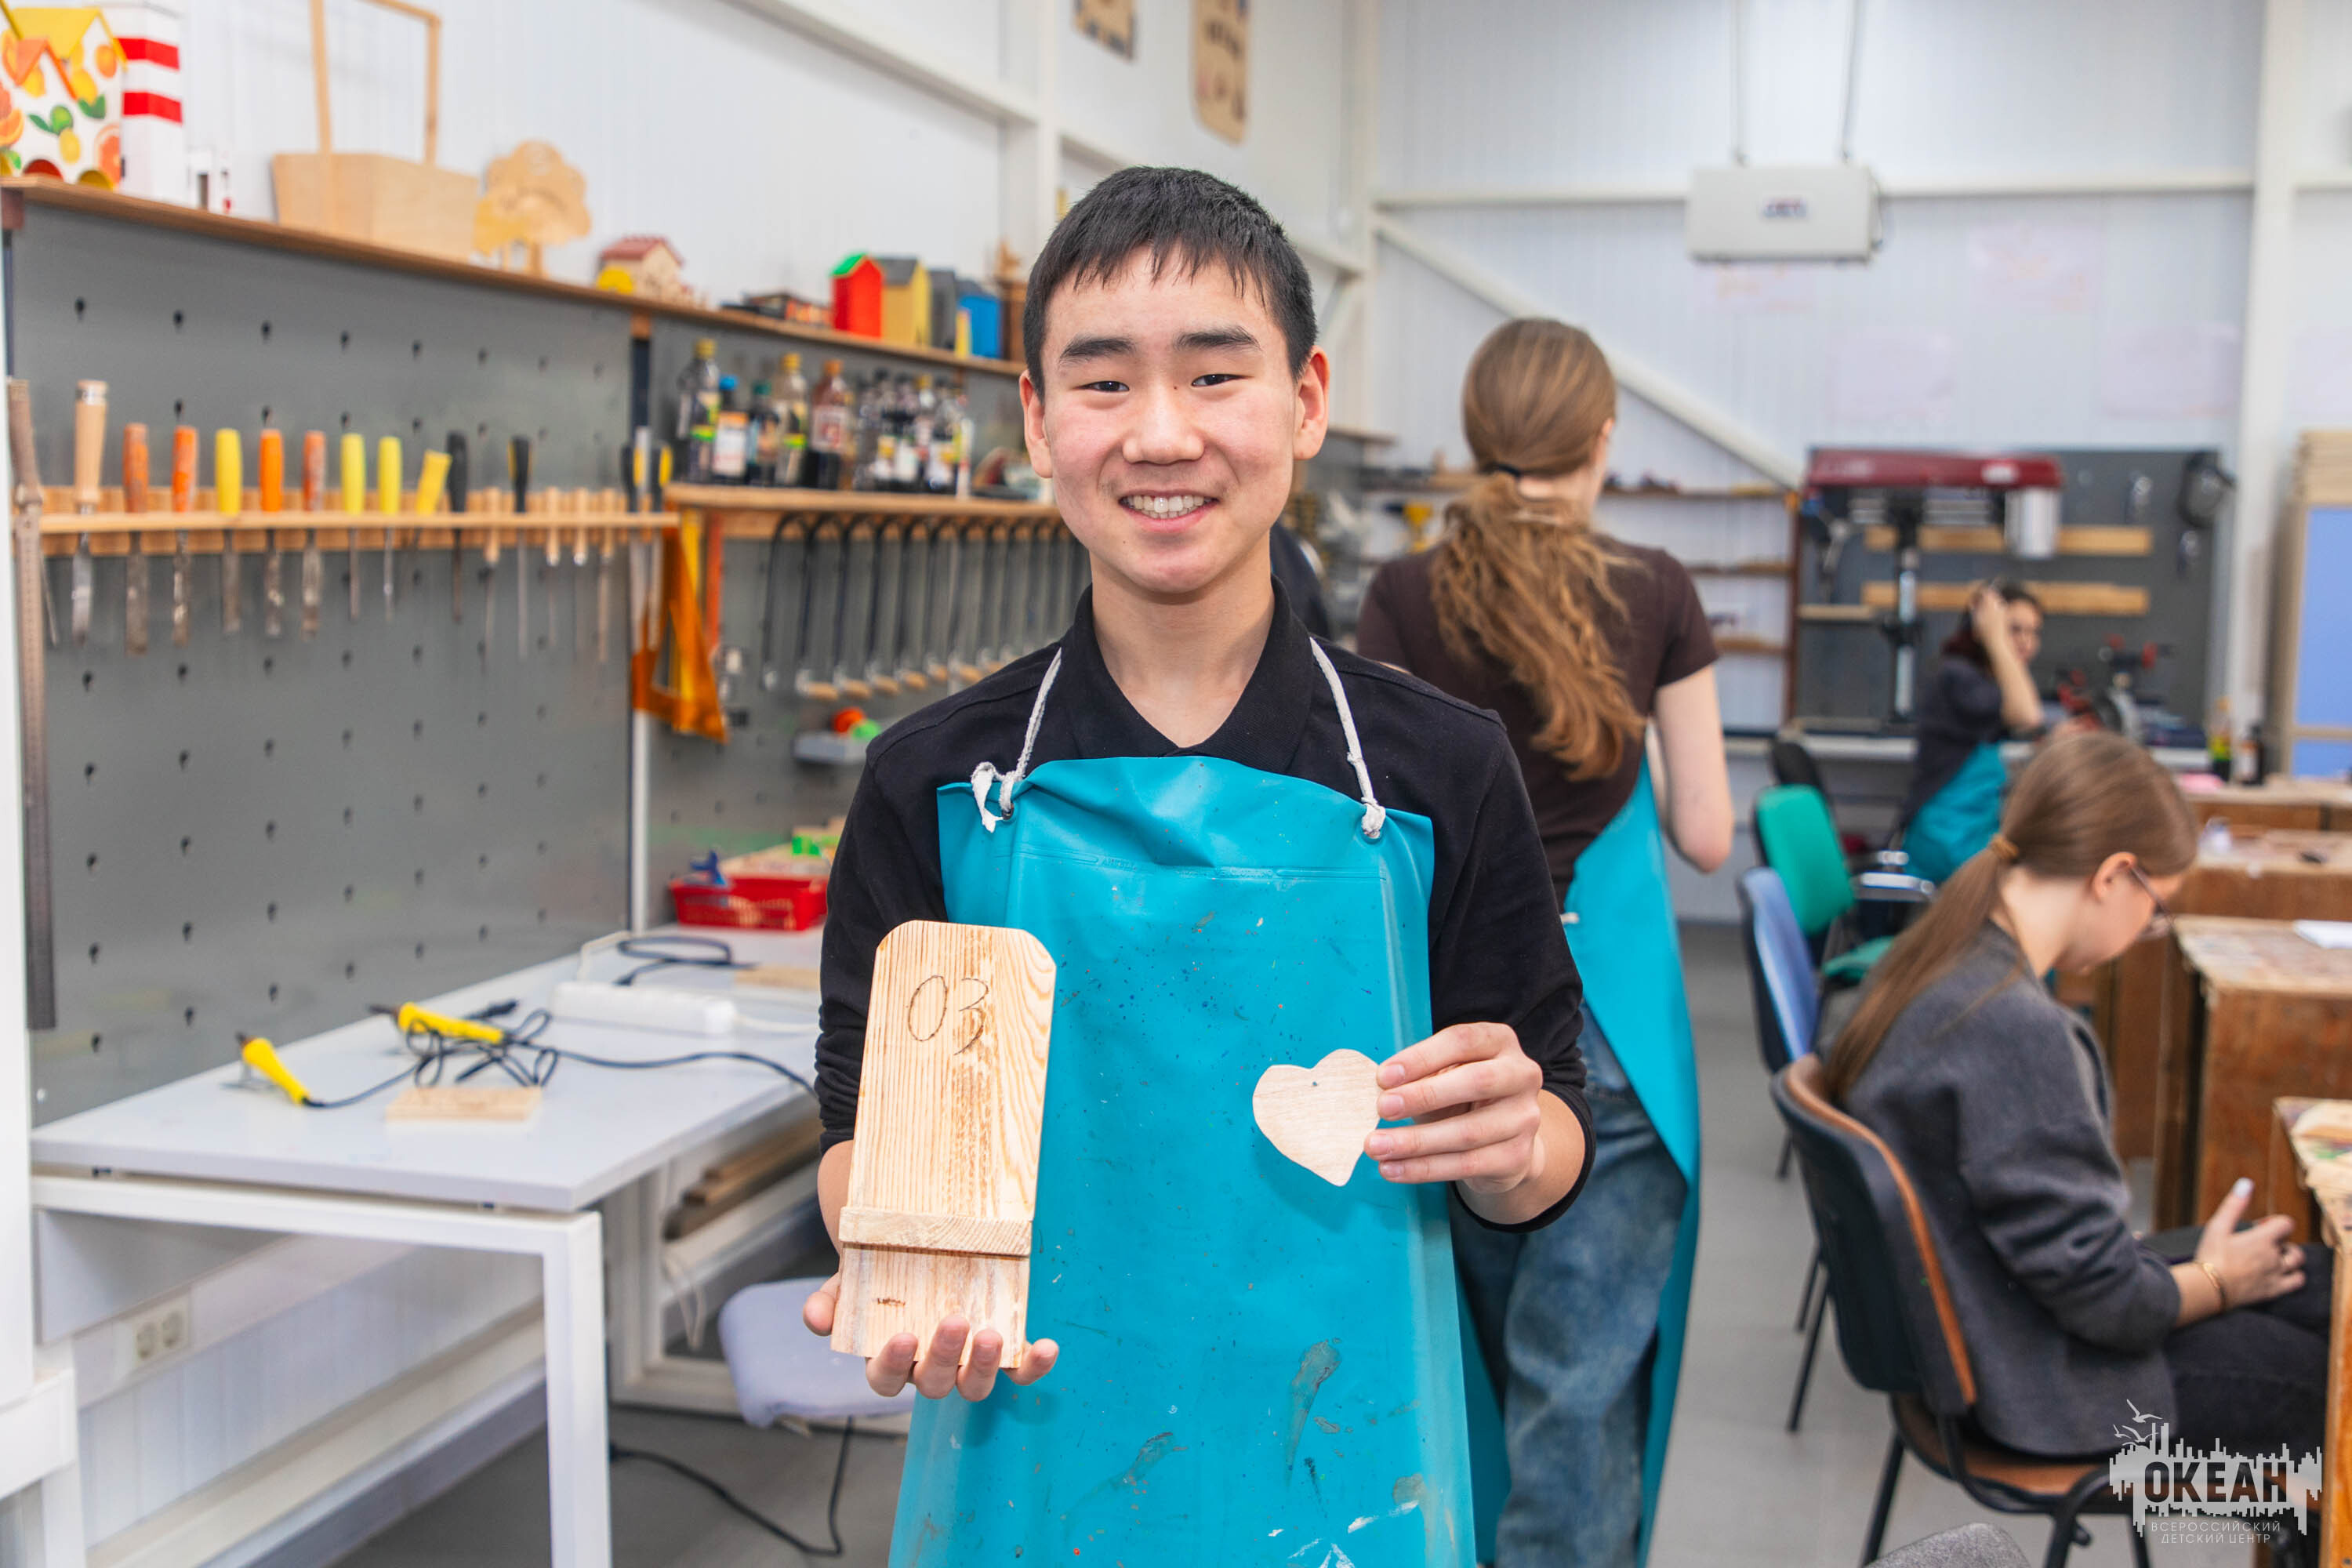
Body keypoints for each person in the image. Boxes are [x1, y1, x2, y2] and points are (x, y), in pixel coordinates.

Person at [799, 167, 1594, 1567]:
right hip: (1028, 1453)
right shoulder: (935, 783)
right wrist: (895, 1260)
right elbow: (858, 1122)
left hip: (1356, 1458)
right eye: (1103, 383)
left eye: (1217, 375)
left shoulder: (1438, 772)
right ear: (1036, 420)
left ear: (1306, 401)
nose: (1161, 434)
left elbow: (1550, 1138)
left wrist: (1516, 1146)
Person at [1356, 318, 1734, 1568]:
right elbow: (1708, 833)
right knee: (1576, 1384)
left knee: (1461, 1368)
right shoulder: (1657, 589)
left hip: (1447, 1032)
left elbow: (1370, 829)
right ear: (1602, 441)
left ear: (1476, 438)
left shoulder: (1404, 593)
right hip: (1602, 1033)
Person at [1830, 731, 2327, 1561]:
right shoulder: (2013, 1027)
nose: (2147, 929)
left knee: (2319, 1280)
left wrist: (2207, 1272)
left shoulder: (1939, 957)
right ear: (2112, 875)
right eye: (2156, 909)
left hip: (1993, 1326)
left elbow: (2070, 1255)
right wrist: (2215, 1280)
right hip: (2037, 1381)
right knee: (2326, 1381)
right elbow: (2108, 1302)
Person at [1896, 580, 2046, 885]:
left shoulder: (1985, 681)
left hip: (1973, 830)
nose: (2026, 642)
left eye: (2033, 632)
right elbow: (2027, 715)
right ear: (1982, 628)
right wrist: (1996, 640)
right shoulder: (1958, 676)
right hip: (1947, 836)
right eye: (2014, 629)